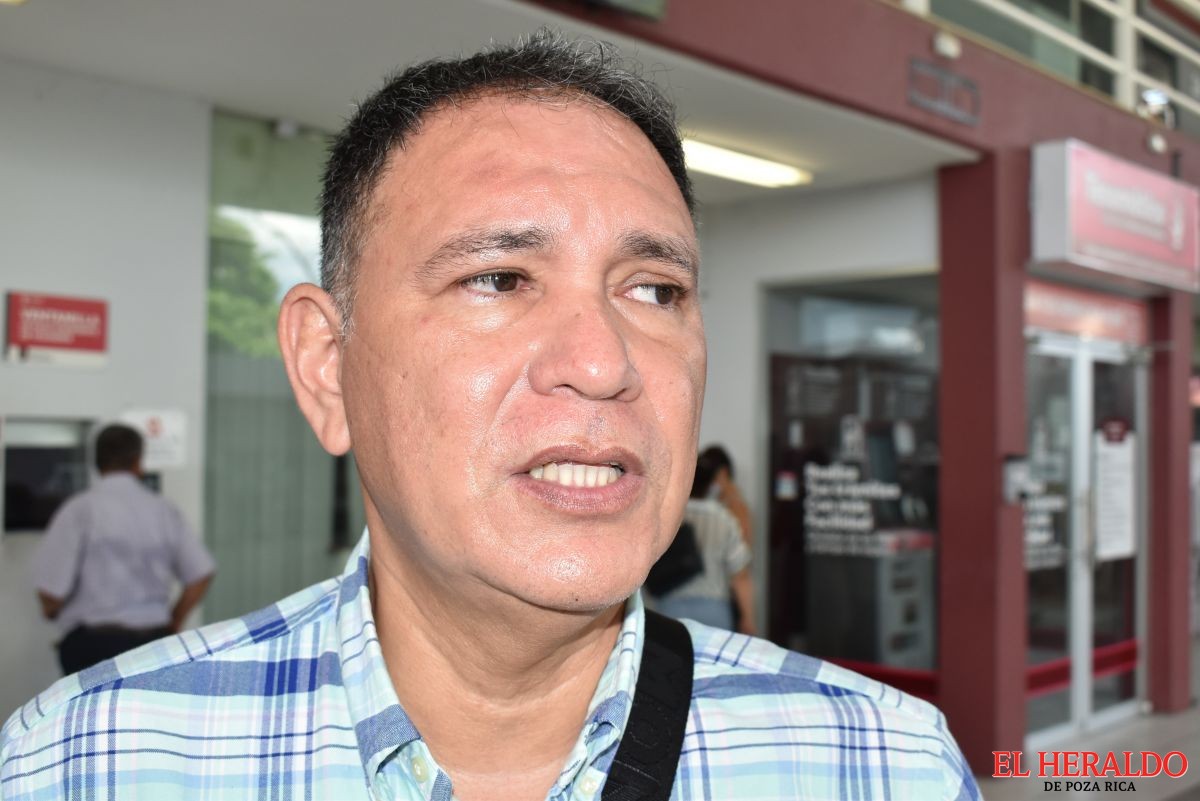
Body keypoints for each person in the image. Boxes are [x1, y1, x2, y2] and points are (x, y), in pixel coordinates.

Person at [1, 32, 980, 801]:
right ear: (327, 369)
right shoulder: (91, 762)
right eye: (501, 278)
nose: (603, 362)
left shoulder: (881, 766)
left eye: (654, 290)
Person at [28, 423, 215, 676]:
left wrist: (52, 612)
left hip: (93, 646)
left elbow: (50, 592)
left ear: (97, 462)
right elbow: (201, 574)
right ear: (138, 462)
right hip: (153, 644)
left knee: (93, 704)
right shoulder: (163, 510)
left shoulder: (79, 510)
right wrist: (174, 621)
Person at [650, 451, 756, 635]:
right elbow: (741, 576)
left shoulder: (668, 513)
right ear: (711, 484)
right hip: (714, 611)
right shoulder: (723, 519)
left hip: (668, 609)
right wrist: (748, 618)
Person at [698, 443, 752, 547]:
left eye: (711, 477)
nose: (709, 483)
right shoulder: (719, 502)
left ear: (723, 473)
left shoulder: (736, 506)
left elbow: (743, 547)